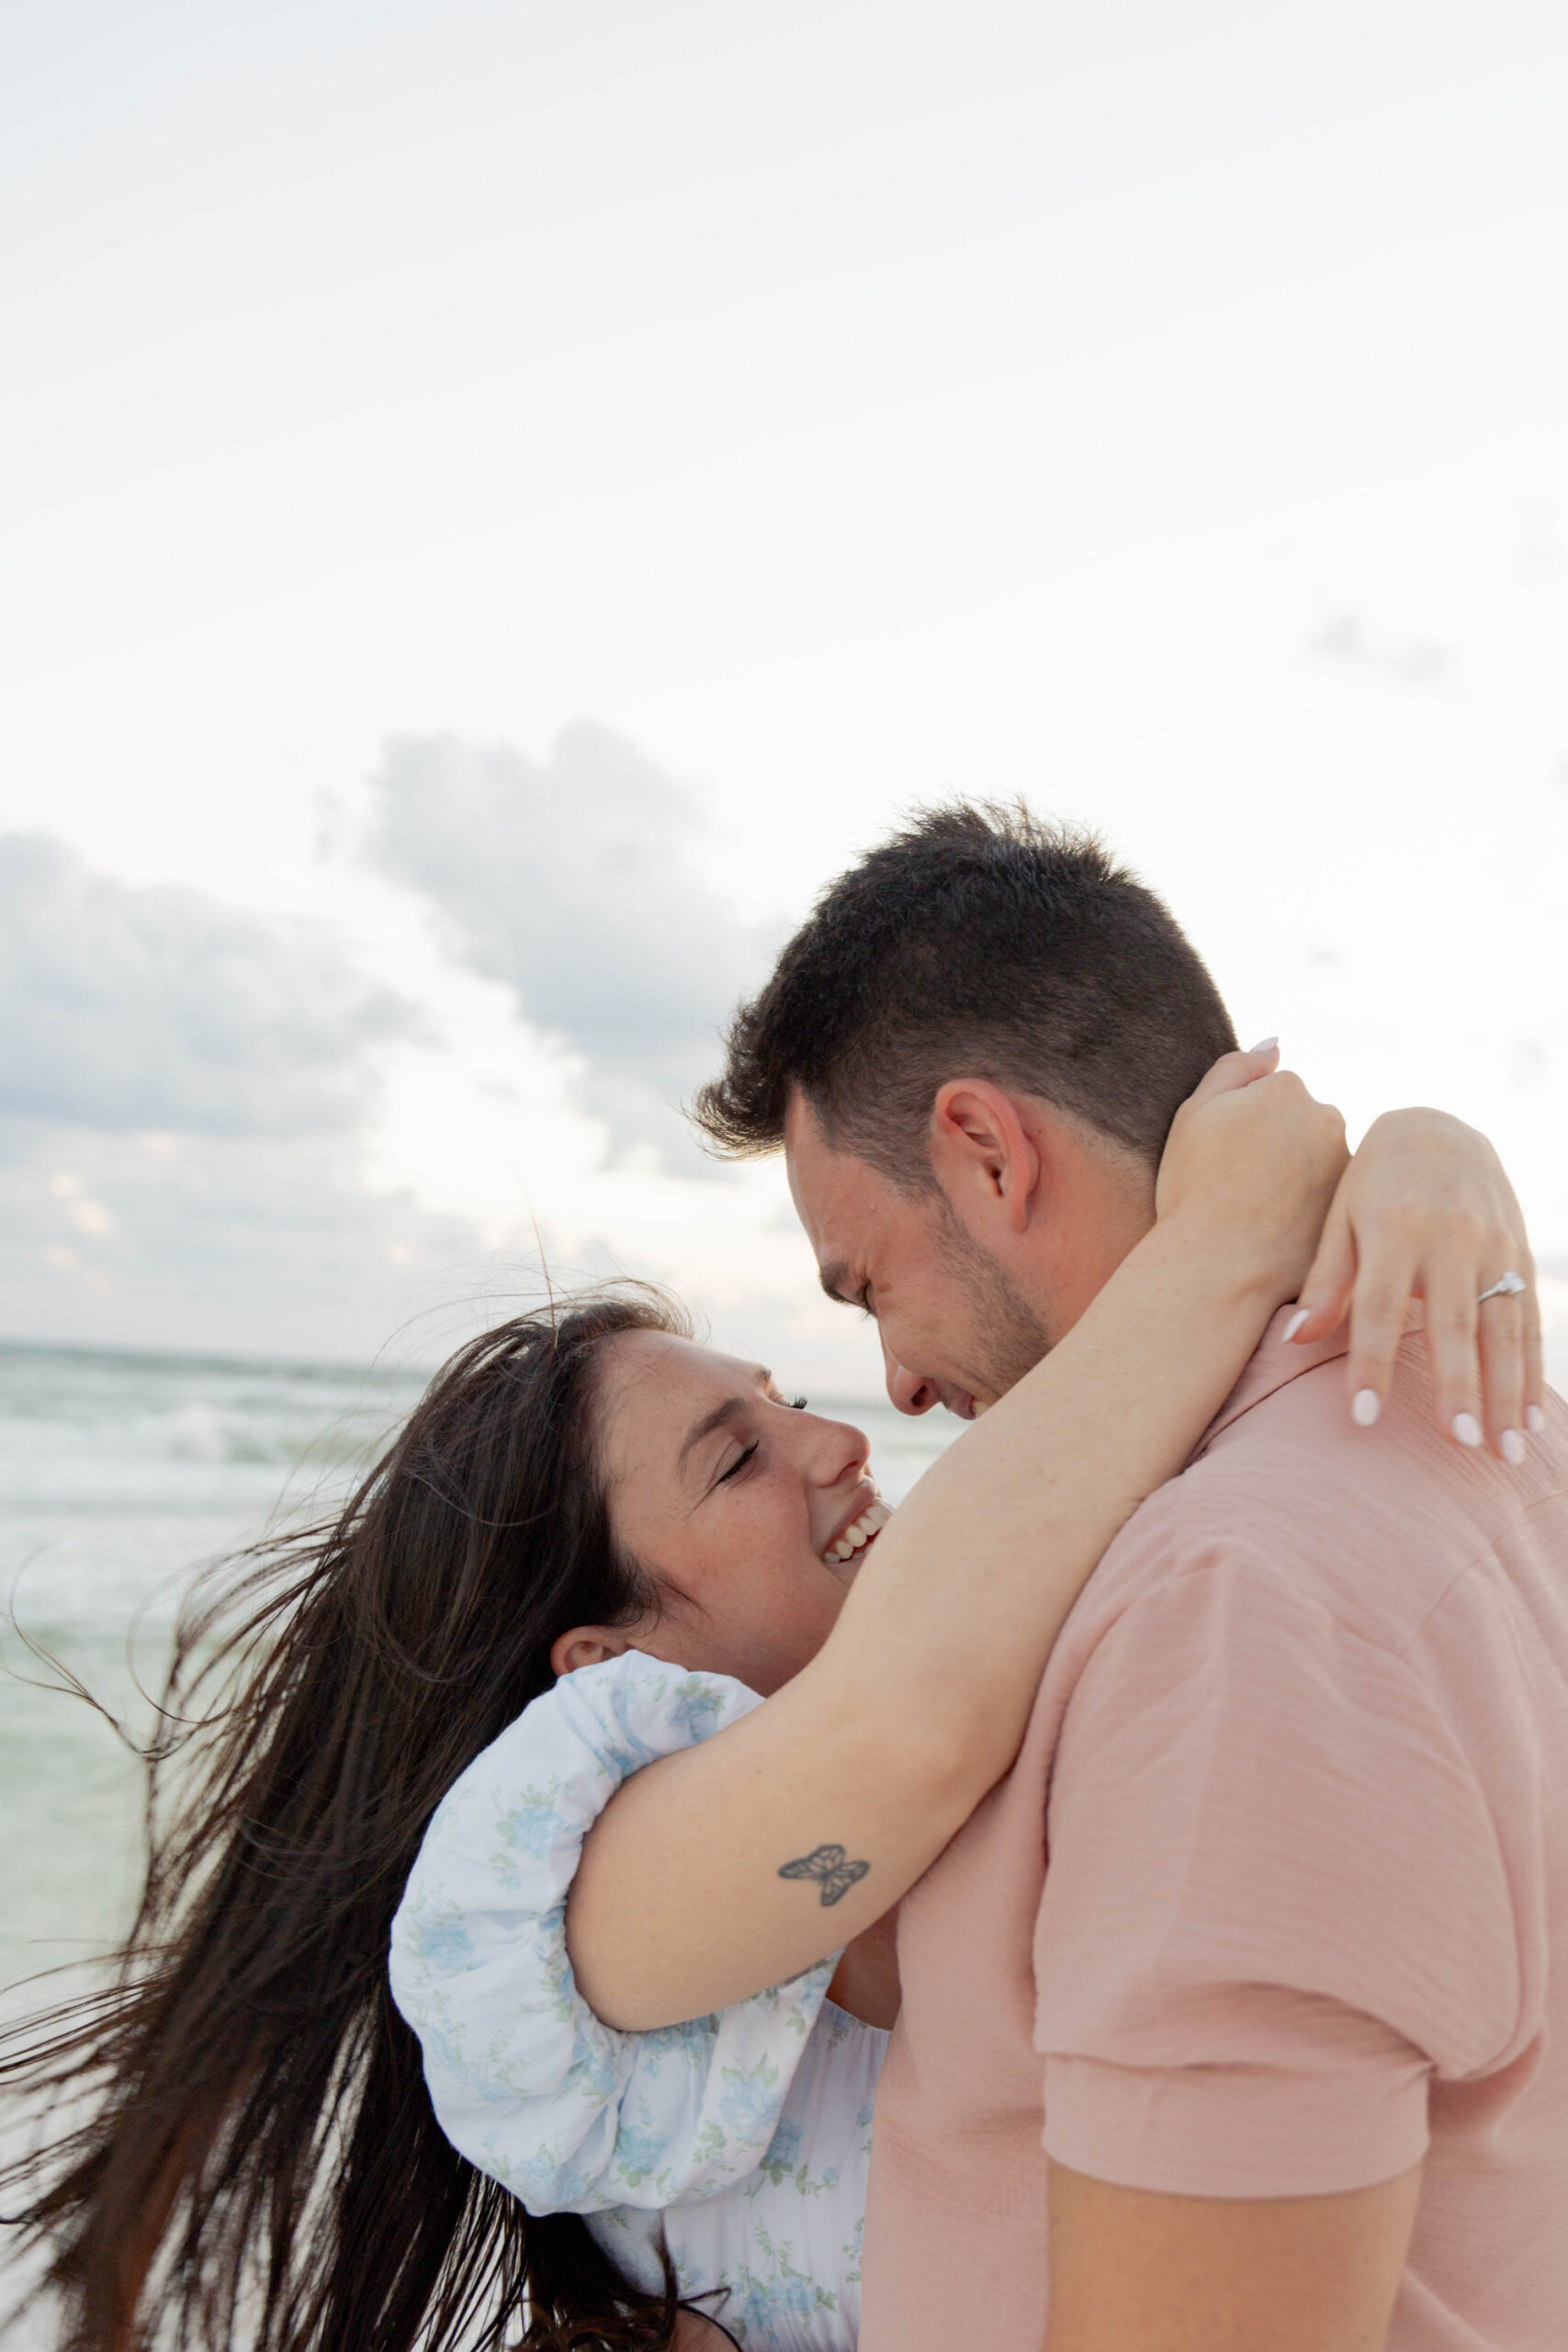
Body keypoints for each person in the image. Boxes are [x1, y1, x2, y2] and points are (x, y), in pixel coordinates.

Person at [1, 1028, 1540, 2352]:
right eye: (737, 1457)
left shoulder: (1031, 1645)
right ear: (610, 1672)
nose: (848, 1437)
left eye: (787, 1394)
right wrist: (1231, 1238)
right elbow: (912, 1705)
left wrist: (1417, 1154)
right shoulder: (534, 1900)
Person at [570, 804, 1564, 2352]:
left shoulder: (1229, 1606)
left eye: (869, 1284)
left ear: (983, 1151)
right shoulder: (1500, 1433)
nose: (888, 1385)